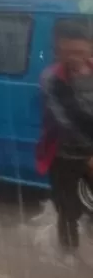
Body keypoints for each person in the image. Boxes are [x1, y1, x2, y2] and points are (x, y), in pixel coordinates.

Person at [36, 20, 93, 251]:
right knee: (67, 212)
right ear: (58, 51)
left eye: (80, 51)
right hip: (63, 156)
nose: (75, 58)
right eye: (67, 52)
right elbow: (64, 120)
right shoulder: (51, 79)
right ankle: (68, 260)